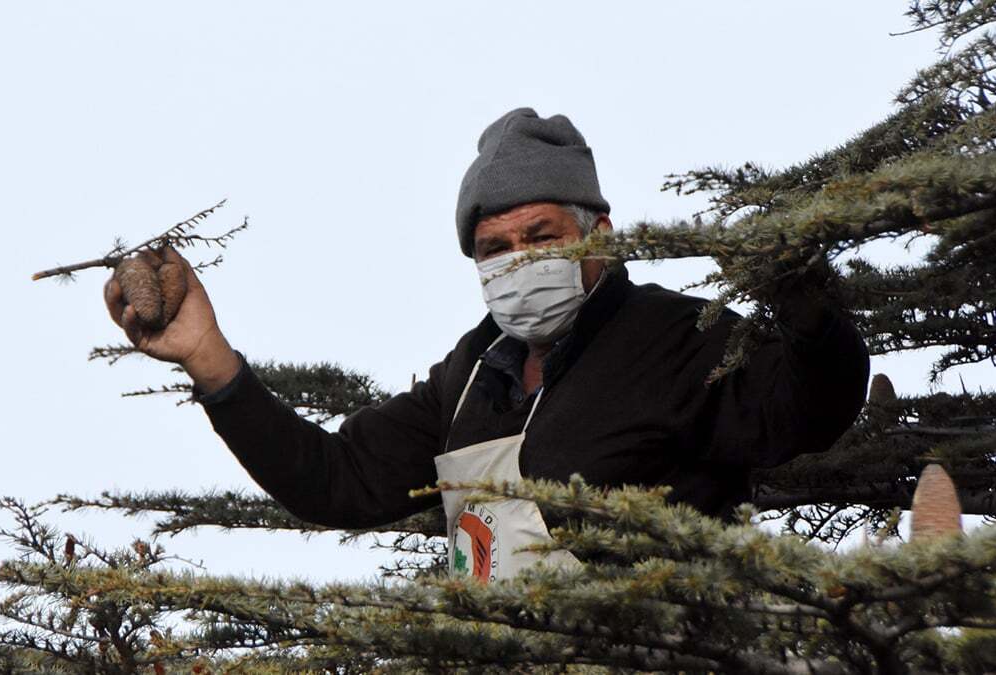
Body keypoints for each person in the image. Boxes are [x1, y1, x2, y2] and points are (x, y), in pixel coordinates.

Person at [104, 108, 870, 582]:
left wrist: (805, 299)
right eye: (494, 248)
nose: (519, 260)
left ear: (598, 233)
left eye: (542, 236)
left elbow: (808, 407)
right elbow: (334, 480)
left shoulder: (678, 338)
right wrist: (208, 355)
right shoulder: (471, 375)